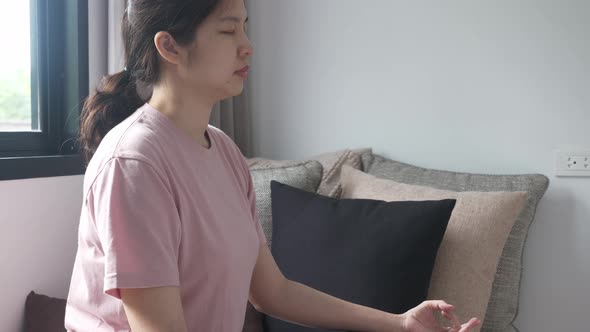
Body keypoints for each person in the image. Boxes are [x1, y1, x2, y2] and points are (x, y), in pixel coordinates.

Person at [64, 0, 481, 331]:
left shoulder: (224, 151)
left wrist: (399, 323)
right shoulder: (134, 164)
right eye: (228, 30)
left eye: (244, 26)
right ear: (170, 46)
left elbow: (273, 291)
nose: (248, 45)